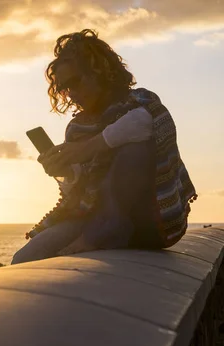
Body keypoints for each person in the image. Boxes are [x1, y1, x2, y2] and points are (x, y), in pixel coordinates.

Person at [11, 29, 197, 265]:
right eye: (65, 88)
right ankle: (102, 230)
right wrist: (65, 172)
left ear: (100, 71)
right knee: (24, 259)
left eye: (75, 82)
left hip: (153, 220)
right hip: (92, 220)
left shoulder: (140, 102)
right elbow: (80, 191)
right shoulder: (77, 128)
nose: (72, 94)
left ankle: (106, 229)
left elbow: (144, 123)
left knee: (134, 149)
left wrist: (85, 149)